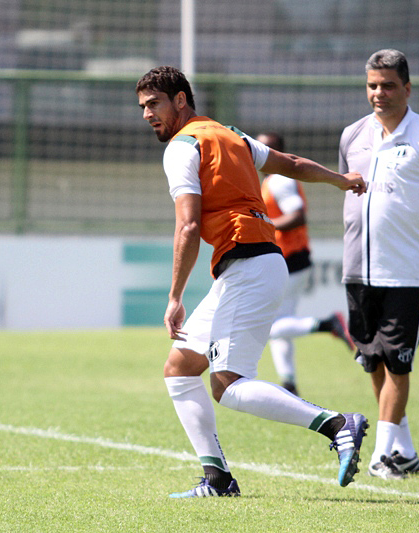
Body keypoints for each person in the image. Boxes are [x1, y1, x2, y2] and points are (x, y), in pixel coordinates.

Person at [136, 65, 369, 498]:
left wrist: (175, 297)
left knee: (227, 384)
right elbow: (291, 163)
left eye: (154, 104)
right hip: (252, 264)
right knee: (180, 368)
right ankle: (218, 479)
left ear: (181, 100)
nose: (147, 114)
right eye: (143, 107)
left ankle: (337, 424)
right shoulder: (233, 136)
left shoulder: (182, 147)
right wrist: (340, 180)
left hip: (249, 266)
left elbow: (188, 226)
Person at [339, 50, 419, 480]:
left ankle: (382, 453)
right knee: (372, 360)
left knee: (397, 361)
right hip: (357, 267)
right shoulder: (352, 135)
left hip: (405, 271)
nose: (379, 93)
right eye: (372, 85)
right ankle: (403, 450)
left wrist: (408, 230)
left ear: (407, 89)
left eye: (388, 85)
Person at [257, 131, 355, 396]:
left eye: (266, 148)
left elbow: (297, 216)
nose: (259, 153)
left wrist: (263, 225)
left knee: (266, 326)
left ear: (277, 152)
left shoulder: (279, 180)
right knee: (282, 321)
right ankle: (289, 382)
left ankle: (327, 324)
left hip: (289, 258)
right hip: (291, 258)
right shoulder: (272, 180)